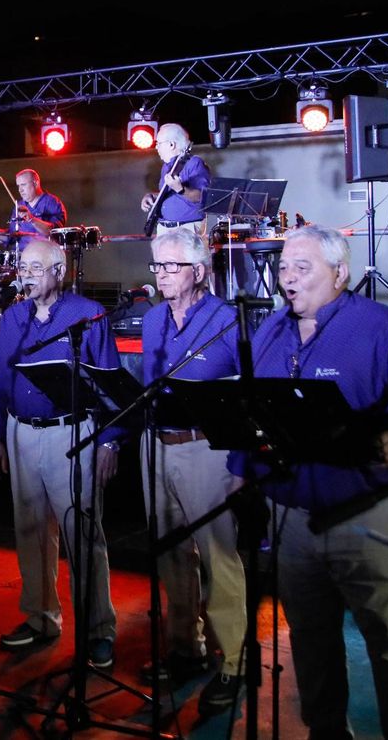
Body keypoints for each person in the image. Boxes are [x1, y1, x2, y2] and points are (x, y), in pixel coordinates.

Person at [232, 224, 388, 740]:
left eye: (302, 268)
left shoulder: (382, 328)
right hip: (294, 516)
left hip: (372, 513)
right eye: (283, 267)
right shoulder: (271, 331)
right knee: (310, 638)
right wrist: (243, 470)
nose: (288, 278)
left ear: (340, 273)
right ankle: (326, 731)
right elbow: (252, 407)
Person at [0, 238, 120, 668]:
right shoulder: (13, 317)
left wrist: (109, 441)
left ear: (60, 272)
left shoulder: (88, 315)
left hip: (70, 434)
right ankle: (41, 618)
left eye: (35, 268)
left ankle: (97, 630)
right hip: (20, 432)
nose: (25, 275)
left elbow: (110, 381)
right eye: (22, 267)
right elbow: (0, 381)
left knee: (82, 533)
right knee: (30, 531)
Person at [139, 227, 245, 710]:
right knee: (172, 554)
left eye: (171, 265)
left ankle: (236, 660)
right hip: (156, 445)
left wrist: (242, 462)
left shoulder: (227, 320)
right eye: (157, 265)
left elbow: (244, 395)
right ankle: (186, 647)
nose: (161, 274)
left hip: (206, 449)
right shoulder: (153, 319)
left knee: (218, 556)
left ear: (199, 271)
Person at [140, 123, 210, 238]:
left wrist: (181, 189)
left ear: (171, 144)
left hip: (186, 230)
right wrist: (152, 196)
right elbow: (172, 195)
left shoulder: (194, 163)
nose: (156, 147)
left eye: (159, 143)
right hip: (164, 229)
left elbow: (203, 197)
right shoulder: (166, 167)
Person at [9, 168, 66, 241]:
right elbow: (11, 235)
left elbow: (54, 232)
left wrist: (31, 219)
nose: (20, 190)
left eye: (23, 185)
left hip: (44, 247)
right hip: (21, 248)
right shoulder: (19, 205)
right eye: (18, 186)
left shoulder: (52, 202)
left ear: (35, 183)